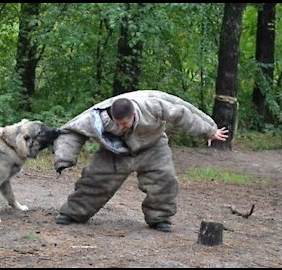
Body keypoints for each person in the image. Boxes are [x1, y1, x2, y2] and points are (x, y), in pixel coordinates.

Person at [53, 90, 229, 232]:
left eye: (125, 123)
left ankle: (159, 218)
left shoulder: (152, 103)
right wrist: (64, 158)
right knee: (94, 181)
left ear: (134, 113)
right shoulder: (96, 117)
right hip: (115, 152)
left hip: (153, 146)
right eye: (118, 124)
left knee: (164, 180)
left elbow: (183, 112)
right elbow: (70, 131)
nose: (121, 127)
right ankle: (74, 213)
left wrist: (209, 130)